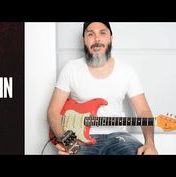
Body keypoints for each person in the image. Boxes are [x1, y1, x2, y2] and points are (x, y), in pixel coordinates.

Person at [47, 22, 158, 155]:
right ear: (84, 40)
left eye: (102, 33)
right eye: (90, 34)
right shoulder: (71, 69)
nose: (97, 39)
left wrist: (150, 144)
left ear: (111, 37)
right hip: (79, 139)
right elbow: (53, 111)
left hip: (119, 137)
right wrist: (67, 140)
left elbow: (143, 110)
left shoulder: (127, 71)